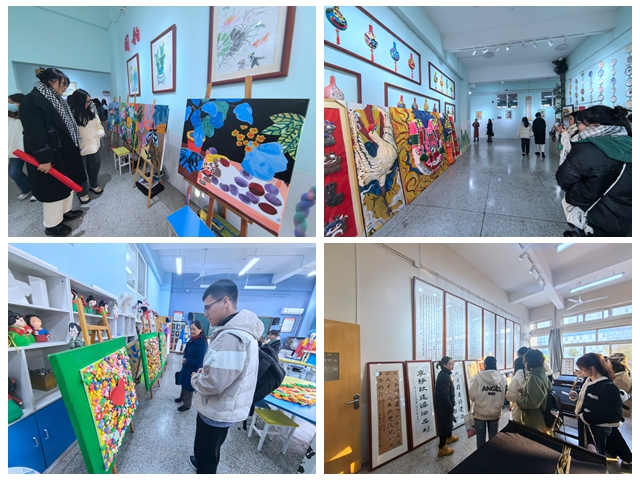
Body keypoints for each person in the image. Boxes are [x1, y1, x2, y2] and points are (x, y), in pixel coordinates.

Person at [189, 279, 263, 474]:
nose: (205, 313)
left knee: (207, 454)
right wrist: (207, 372)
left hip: (217, 408)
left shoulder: (231, 337)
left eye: (208, 307)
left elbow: (213, 384)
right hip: (224, 405)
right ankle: (201, 462)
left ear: (225, 301)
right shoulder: (240, 332)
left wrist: (195, 378)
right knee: (210, 448)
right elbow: (225, 372)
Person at [19, 68, 86, 237]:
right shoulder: (32, 101)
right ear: (51, 81)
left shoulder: (55, 99)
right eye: (63, 84)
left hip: (65, 150)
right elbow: (35, 133)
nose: (65, 88)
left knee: (67, 182)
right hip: (51, 155)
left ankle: (65, 212)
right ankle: (52, 225)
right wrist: (44, 158)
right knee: (54, 189)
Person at [556, 105, 632, 237]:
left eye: (580, 123)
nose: (578, 126)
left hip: (597, 212)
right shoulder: (629, 142)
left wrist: (578, 193)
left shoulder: (587, 148)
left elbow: (564, 179)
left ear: (595, 124)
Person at [571, 353, 623, 456]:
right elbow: (585, 398)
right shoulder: (588, 381)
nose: (580, 372)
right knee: (586, 451)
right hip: (586, 423)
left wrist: (586, 416)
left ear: (592, 368)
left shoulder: (607, 386)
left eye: (582, 369)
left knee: (596, 453)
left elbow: (613, 413)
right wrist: (576, 396)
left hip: (597, 426)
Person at [67, 89, 105, 204]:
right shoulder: (70, 114)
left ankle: (93, 185)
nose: (89, 104)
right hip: (79, 148)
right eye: (86, 101)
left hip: (93, 145)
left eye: (89, 101)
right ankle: (82, 192)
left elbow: (99, 126)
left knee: (94, 167)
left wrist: (99, 134)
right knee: (80, 172)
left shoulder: (91, 111)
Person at [469, 356, 506, 449]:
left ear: (485, 365)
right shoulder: (501, 378)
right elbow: (503, 395)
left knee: (480, 438)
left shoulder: (478, 377)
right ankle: (492, 455)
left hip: (480, 413)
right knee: (493, 438)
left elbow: (472, 395)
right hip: (495, 412)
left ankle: (481, 456)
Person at [516, 349, 552, 434]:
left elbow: (533, 403)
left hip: (535, 418)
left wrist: (519, 400)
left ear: (528, 362)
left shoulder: (532, 377)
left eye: (524, 361)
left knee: (532, 438)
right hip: (544, 414)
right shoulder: (542, 373)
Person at [175, 320, 207, 412]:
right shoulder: (193, 339)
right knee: (183, 382)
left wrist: (187, 361)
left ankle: (187, 404)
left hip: (193, 368)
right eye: (190, 329)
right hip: (187, 366)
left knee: (189, 385)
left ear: (200, 329)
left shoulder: (202, 343)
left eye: (194, 329)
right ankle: (182, 397)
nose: (192, 331)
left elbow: (200, 360)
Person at [605, 353, 632, 465]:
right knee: (610, 431)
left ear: (614, 364)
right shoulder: (618, 376)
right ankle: (612, 452)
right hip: (614, 408)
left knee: (613, 432)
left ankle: (628, 457)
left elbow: (611, 394)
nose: (606, 364)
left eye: (608, 362)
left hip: (618, 409)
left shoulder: (622, 378)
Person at [8, 93, 33, 201]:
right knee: (13, 172)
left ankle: (37, 190)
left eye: (11, 102)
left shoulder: (28, 115)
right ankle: (27, 188)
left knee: (35, 171)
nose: (9, 105)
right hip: (15, 150)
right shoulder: (7, 117)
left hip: (30, 148)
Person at [434, 356, 458, 456]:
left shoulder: (445, 374)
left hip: (444, 405)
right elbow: (444, 396)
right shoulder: (444, 376)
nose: (452, 365)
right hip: (443, 406)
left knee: (448, 422)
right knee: (444, 426)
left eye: (453, 363)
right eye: (450, 364)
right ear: (444, 365)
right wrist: (450, 406)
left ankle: (449, 437)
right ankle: (442, 448)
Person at [505, 357, 527, 424]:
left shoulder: (516, 377)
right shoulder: (531, 375)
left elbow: (510, 396)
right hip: (532, 413)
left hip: (519, 410)